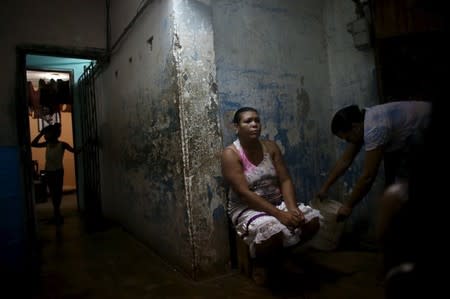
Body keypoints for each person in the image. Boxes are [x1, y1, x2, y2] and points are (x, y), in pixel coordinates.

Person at [221, 107, 321, 285]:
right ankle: (261, 264)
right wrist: (280, 214)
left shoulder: (270, 147)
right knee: (272, 233)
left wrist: (291, 208)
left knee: (311, 222)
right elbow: (244, 193)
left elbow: (285, 180)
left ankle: (283, 256)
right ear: (236, 127)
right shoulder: (231, 154)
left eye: (257, 121)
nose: (254, 125)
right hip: (247, 208)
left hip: (276, 201)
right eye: (248, 121)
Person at [316, 101, 432, 222]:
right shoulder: (363, 121)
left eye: (348, 138)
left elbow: (368, 177)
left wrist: (347, 206)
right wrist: (325, 187)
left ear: (355, 127)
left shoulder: (374, 128)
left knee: (400, 193)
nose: (348, 142)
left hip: (425, 127)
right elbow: (345, 160)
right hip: (413, 138)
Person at [31, 123, 81, 225]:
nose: (46, 136)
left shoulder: (62, 144)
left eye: (47, 134)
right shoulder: (47, 144)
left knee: (57, 194)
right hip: (50, 172)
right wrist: (41, 133)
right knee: (54, 194)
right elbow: (33, 143)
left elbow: (75, 151)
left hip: (58, 172)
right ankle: (57, 215)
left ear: (53, 134)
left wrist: (87, 143)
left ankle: (57, 215)